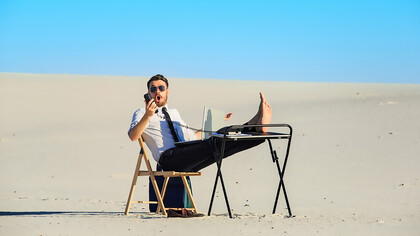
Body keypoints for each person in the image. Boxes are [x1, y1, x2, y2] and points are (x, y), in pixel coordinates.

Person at [128, 74, 272, 172]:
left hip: (185, 154)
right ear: (148, 93)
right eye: (153, 89)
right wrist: (148, 115)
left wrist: (213, 122)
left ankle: (254, 126)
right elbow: (133, 136)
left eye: (161, 88)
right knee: (216, 142)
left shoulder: (174, 113)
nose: (157, 91)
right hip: (169, 159)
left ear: (167, 92)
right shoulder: (141, 113)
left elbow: (192, 137)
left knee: (221, 135)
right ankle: (255, 126)